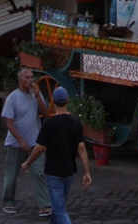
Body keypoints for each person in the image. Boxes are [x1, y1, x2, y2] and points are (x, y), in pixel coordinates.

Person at [21, 86, 91, 224]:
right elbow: (81, 148)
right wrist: (87, 172)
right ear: (68, 101)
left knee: (59, 210)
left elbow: (40, 148)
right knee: (58, 205)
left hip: (54, 173)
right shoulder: (76, 123)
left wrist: (27, 162)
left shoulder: (49, 124)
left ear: (53, 100)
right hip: (70, 171)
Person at [1, 67, 52, 216]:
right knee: (11, 174)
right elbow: (8, 123)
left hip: (34, 143)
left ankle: (45, 205)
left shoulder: (36, 94)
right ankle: (8, 202)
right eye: (27, 78)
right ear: (20, 80)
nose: (30, 80)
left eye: (31, 77)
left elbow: (46, 113)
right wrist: (20, 140)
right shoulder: (12, 98)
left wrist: (37, 97)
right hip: (15, 144)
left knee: (39, 173)